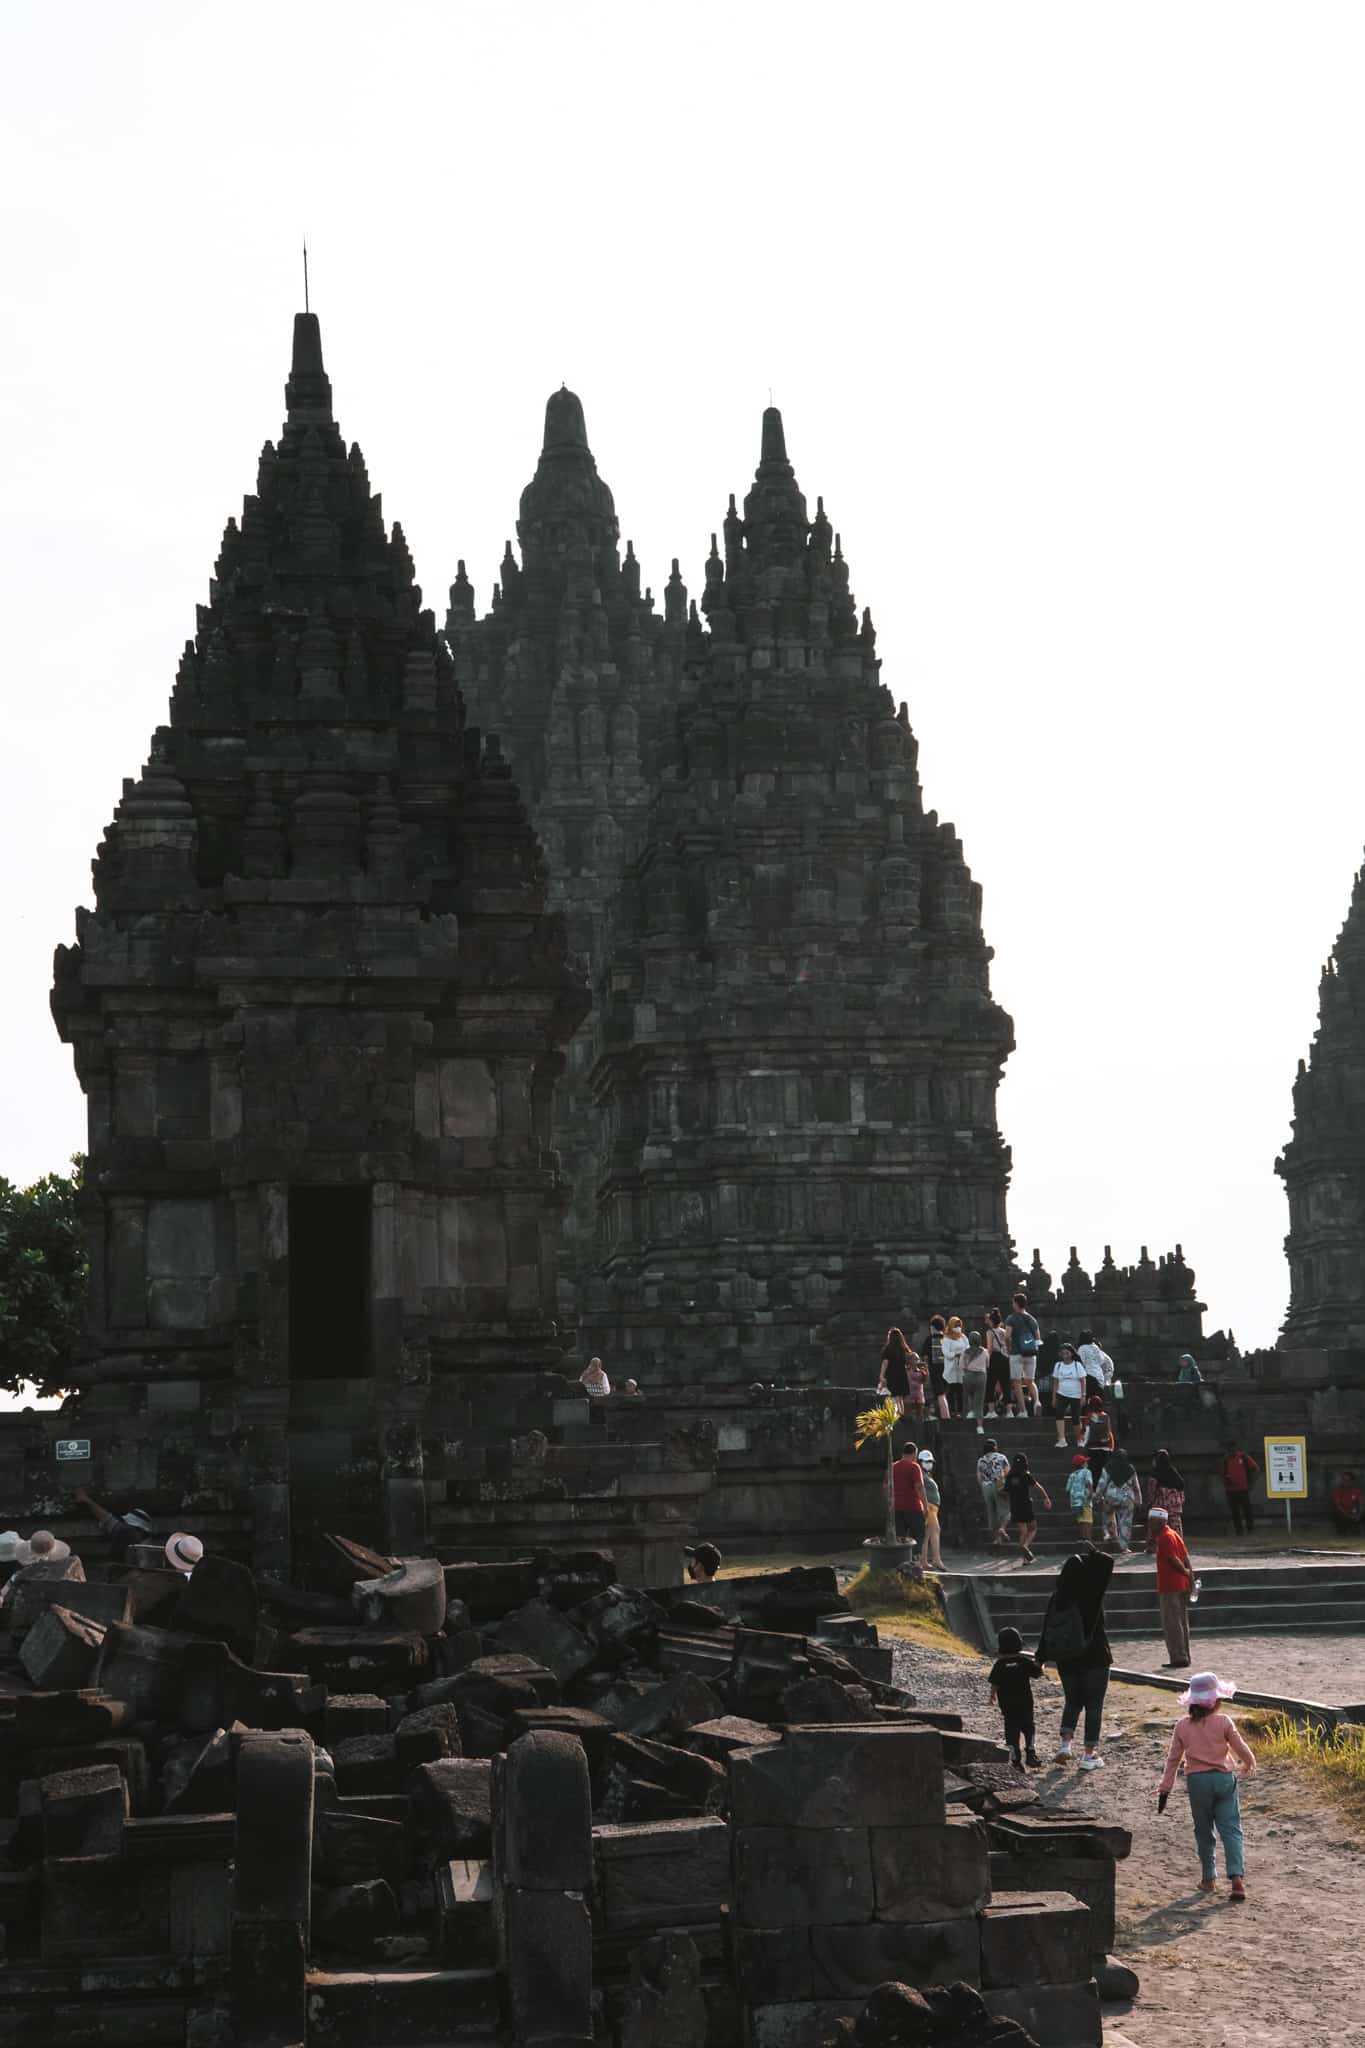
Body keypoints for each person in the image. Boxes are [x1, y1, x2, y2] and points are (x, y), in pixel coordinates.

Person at [1157, 1670, 1256, 1901]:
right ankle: (1237, 1880)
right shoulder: (1223, 1722)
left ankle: (1208, 1878)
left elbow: (1173, 1759)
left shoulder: (1182, 1726)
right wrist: (1250, 1761)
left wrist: (1165, 1787)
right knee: (1231, 1829)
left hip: (1197, 1782)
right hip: (1223, 1779)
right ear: (1216, 1702)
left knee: (1203, 1830)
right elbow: (1239, 1746)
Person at [1039, 1547, 1114, 1769]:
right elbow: (1107, 1562)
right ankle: (1088, 1756)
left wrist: (1040, 1656)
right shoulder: (1091, 1594)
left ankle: (1065, 1746)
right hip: (1095, 1657)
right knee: (1094, 1706)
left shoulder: (1058, 1597)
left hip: (1067, 1658)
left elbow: (1047, 1627)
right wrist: (1093, 1552)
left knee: (1072, 1702)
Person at [988, 1626, 1043, 1770]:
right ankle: (1031, 1754)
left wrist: (992, 1696)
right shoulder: (1024, 1662)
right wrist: (1040, 1661)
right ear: (1019, 1643)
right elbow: (1038, 1673)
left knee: (1011, 1732)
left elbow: (995, 1683)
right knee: (1029, 1728)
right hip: (1025, 1703)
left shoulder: (999, 1665)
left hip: (1008, 1706)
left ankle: (1015, 1761)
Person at [1150, 1506, 1195, 1667]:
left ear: (1160, 1521)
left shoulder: (1164, 1537)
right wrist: (1190, 1577)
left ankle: (1178, 1657)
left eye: (1152, 1521)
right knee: (1181, 1621)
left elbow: (1173, 1559)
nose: (1150, 1524)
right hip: (1180, 1584)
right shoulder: (1174, 1534)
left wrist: (1185, 1572)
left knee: (1172, 1622)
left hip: (1170, 1585)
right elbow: (1186, 1557)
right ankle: (1184, 1655)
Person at [74, 1489, 154, 1562]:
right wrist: (87, 1500)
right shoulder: (122, 1530)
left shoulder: (147, 1549)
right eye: (125, 1525)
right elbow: (105, 1517)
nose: (125, 1529)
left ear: (142, 1532)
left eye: (130, 1528)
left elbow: (143, 1568)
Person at [1005, 1454, 1052, 1565]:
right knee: (1033, 1528)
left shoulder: (1010, 1476)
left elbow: (1005, 1491)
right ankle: (1025, 1546)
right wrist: (1046, 1498)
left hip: (1015, 1506)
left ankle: (1025, 1558)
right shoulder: (1026, 1475)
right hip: (1025, 1504)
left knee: (1023, 1531)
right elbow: (1039, 1487)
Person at [1095, 1447, 1141, 1555]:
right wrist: (1139, 1499)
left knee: (1108, 1515)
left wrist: (1097, 1497)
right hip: (1127, 1498)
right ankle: (1124, 1547)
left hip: (1111, 1496)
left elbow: (1102, 1484)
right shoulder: (1130, 1468)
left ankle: (1111, 1537)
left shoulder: (1108, 1467)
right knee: (1126, 1522)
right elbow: (1136, 1486)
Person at [1005, 1292, 1041, 1419]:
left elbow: (1007, 1336)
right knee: (1030, 1381)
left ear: (1015, 1303)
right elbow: (1038, 1338)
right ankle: (1037, 1401)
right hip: (1031, 1353)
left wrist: (1008, 1347)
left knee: (1017, 1382)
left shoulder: (1011, 1318)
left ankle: (1023, 1411)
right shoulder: (1032, 1319)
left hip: (1016, 1353)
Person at [891, 1441, 927, 1554]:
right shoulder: (914, 1467)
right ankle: (914, 1558)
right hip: (913, 1507)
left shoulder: (892, 1467)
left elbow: (885, 1488)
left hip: (897, 1507)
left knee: (900, 1537)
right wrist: (925, 1507)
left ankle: (901, 1560)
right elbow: (919, 1487)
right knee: (919, 1534)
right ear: (914, 1454)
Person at [977, 1438, 1012, 1547]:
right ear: (995, 1447)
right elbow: (1007, 1472)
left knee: (991, 1512)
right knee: (1006, 1511)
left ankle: (997, 1539)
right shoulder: (1001, 1457)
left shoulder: (981, 1460)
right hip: (999, 1485)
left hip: (986, 1486)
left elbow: (979, 1477)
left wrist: (983, 1488)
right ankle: (1002, 1528)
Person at [1051, 1343, 1087, 1449]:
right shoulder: (1058, 1365)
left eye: (1067, 1353)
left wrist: (1083, 1395)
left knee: (1076, 1418)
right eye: (1063, 1353)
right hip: (1061, 1393)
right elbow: (1056, 1382)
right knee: (1059, 1415)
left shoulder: (1077, 1365)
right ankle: (1061, 1439)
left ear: (1071, 1353)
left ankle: (1079, 1439)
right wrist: (1054, 1397)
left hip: (1075, 1395)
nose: (1065, 1355)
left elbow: (1083, 1381)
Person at [1220, 1442, 1260, 1536]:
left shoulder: (1243, 1457)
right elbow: (1222, 1474)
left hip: (1243, 1489)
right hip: (1231, 1490)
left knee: (1247, 1510)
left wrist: (1251, 1483)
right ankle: (1239, 1530)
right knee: (1235, 1512)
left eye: (1233, 1449)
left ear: (1236, 1449)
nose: (1232, 1452)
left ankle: (1250, 1529)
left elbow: (1255, 1468)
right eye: (1230, 1450)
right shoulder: (1225, 1460)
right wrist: (1226, 1481)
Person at [1145, 1449, 1187, 1535]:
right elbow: (1182, 1491)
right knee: (1176, 1534)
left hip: (1159, 1512)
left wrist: (1148, 1506)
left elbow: (1151, 1495)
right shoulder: (1175, 1474)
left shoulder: (1154, 1477)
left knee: (1158, 1534)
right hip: (1175, 1510)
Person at [877, 1328, 913, 1416]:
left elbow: (885, 1362)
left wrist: (881, 1375)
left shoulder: (888, 1349)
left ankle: (898, 1416)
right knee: (900, 1398)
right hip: (902, 1375)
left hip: (892, 1375)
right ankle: (902, 1415)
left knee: (895, 1397)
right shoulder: (903, 1349)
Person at [984, 1309, 1012, 1419]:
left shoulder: (990, 1332)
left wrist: (987, 1361)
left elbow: (990, 1348)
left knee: (990, 1384)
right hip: (1005, 1358)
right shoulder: (1004, 1331)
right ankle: (1009, 1411)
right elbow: (1009, 1346)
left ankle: (991, 1411)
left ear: (991, 1321)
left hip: (994, 1358)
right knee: (1006, 1385)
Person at [941, 1315, 970, 1419]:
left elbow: (968, 1349)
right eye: (956, 1325)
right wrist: (956, 1354)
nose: (958, 1327)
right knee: (951, 1391)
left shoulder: (963, 1337)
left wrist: (963, 1355)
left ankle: (962, 1411)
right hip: (951, 1368)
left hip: (961, 1368)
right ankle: (952, 1411)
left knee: (960, 1391)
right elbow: (946, 1353)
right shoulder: (946, 1338)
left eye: (959, 1325)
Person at [918, 1450, 943, 1568]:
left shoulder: (926, 1475)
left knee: (927, 1534)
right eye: (926, 1461)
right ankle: (936, 1560)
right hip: (929, 1506)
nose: (929, 1464)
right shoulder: (920, 1474)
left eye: (930, 1462)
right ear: (920, 1462)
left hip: (933, 1507)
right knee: (935, 1531)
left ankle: (924, 1561)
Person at [962, 1330, 991, 1431]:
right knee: (979, 1401)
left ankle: (970, 1411)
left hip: (969, 1375)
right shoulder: (984, 1351)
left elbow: (962, 1366)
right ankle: (979, 1426)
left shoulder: (965, 1352)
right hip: (981, 1376)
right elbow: (987, 1364)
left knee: (969, 1395)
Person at [1077, 1327, 1113, 1405]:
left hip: (1089, 1375)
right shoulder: (1096, 1347)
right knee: (1098, 1398)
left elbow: (1081, 1362)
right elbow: (1101, 1360)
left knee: (1089, 1398)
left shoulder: (1082, 1348)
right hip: (1099, 1375)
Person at [924, 1314, 950, 1422]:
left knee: (940, 1395)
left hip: (935, 1371)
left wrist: (925, 1370)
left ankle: (946, 1418)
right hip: (948, 1371)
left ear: (933, 1327)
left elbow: (925, 1357)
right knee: (944, 1393)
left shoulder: (929, 1340)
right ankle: (943, 1414)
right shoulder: (948, 1339)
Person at [1081, 1405, 1114, 1487]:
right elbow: (1109, 1431)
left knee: (1094, 1471)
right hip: (1105, 1448)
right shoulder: (1106, 1416)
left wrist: (1084, 1443)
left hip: (1093, 1448)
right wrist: (1111, 1445)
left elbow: (1087, 1431)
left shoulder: (1090, 1416)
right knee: (1103, 1471)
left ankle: (1095, 1489)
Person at [1066, 1454, 1095, 1534]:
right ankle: (1087, 1539)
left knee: (1081, 1520)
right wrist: (1091, 1493)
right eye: (1086, 1462)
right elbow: (1089, 1483)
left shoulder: (1072, 1475)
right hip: (1085, 1500)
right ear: (1082, 1464)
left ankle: (1083, 1538)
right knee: (1088, 1520)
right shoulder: (1087, 1472)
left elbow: (1067, 1489)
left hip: (1075, 1503)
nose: (1087, 1463)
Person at [1035, 1329, 1061, 1416]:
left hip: (1042, 1380)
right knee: (1053, 1405)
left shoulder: (1042, 1349)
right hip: (1054, 1381)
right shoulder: (1058, 1350)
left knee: (1043, 1402)